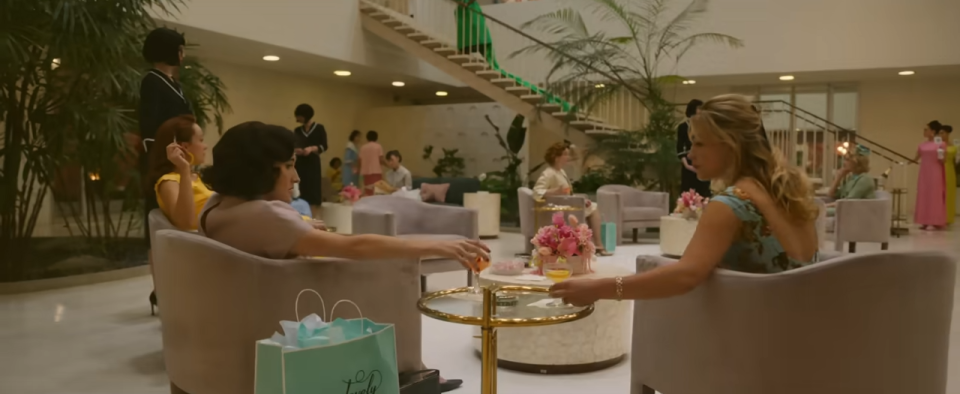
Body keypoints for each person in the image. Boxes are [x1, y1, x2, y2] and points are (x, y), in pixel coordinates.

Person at [197, 121, 481, 392]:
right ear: (262, 171)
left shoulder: (215, 207)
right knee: (392, 267)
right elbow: (354, 247)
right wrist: (438, 246)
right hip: (295, 313)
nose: (296, 177)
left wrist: (300, 227)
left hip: (247, 312)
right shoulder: (267, 216)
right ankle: (408, 370)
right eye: (289, 166)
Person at [550, 95, 820, 305]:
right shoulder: (787, 192)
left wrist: (599, 288)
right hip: (803, 327)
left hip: (756, 342)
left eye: (699, 143)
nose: (690, 154)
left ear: (731, 145)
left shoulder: (733, 204)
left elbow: (686, 276)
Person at [139, 27, 193, 314]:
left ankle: (171, 287)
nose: (183, 54)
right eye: (180, 49)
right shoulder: (152, 81)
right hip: (161, 165)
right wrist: (164, 161)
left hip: (179, 162)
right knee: (158, 225)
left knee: (177, 223)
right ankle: (159, 290)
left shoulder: (175, 84)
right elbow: (149, 129)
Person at [534, 142, 613, 256]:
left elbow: (567, 193)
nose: (568, 157)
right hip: (558, 208)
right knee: (594, 209)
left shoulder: (561, 171)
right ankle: (598, 245)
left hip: (567, 204)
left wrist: (582, 201)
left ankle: (596, 245)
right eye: (565, 155)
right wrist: (555, 192)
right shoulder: (548, 173)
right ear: (556, 158)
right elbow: (537, 191)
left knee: (593, 207)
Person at [147, 115, 212, 231]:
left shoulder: (195, 177)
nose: (205, 146)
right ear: (184, 147)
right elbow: (184, 223)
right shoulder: (169, 181)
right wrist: (184, 168)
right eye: (201, 140)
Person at [293, 104, 327, 214]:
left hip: (313, 163)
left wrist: (312, 148)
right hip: (300, 163)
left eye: (299, 116)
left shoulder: (319, 128)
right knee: (301, 188)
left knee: (313, 190)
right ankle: (301, 215)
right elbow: (294, 145)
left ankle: (313, 216)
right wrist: (297, 150)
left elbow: (324, 146)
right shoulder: (297, 130)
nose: (297, 119)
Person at [825, 144, 876, 215]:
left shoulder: (865, 179)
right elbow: (831, 194)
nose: (844, 163)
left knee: (818, 212)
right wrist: (838, 178)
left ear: (856, 162)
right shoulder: (851, 178)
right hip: (848, 210)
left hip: (859, 214)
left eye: (847, 160)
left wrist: (824, 206)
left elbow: (847, 202)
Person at [914, 121, 947, 230]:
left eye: (926, 129)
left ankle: (934, 221)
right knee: (924, 194)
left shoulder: (941, 144)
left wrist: (940, 152)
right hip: (924, 173)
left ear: (933, 131)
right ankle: (924, 220)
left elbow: (943, 160)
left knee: (934, 195)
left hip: (935, 172)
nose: (924, 131)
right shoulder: (922, 145)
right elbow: (915, 158)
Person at [677, 99, 711, 197]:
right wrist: (687, 165)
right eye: (699, 108)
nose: (701, 111)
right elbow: (680, 147)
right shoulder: (683, 127)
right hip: (688, 162)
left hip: (703, 161)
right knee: (688, 191)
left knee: (704, 190)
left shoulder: (705, 127)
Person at [358, 130, 385, 196]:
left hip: (365, 172)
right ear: (376, 137)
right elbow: (381, 160)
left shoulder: (363, 147)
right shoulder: (378, 146)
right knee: (377, 190)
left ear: (367, 138)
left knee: (368, 190)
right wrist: (388, 165)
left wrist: (358, 170)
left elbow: (359, 160)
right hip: (376, 171)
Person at [940, 125, 957, 225]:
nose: (941, 135)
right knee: (939, 194)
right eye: (940, 133)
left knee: (949, 194)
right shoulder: (938, 145)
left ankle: (948, 218)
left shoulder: (953, 146)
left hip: (949, 170)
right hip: (939, 169)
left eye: (943, 133)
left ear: (947, 133)